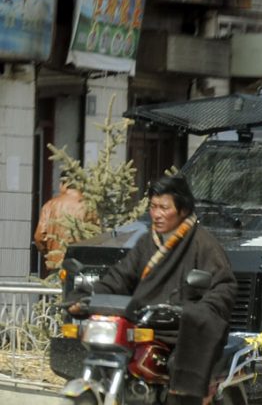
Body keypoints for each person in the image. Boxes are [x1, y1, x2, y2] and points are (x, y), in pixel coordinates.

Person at [70, 175, 237, 405]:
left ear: (183, 209)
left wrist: (196, 310)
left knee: (180, 376)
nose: (156, 214)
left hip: (183, 331)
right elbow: (120, 276)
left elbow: (224, 288)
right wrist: (90, 297)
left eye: (163, 207)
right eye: (153, 207)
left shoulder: (204, 243)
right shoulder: (147, 243)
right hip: (144, 325)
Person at [34, 172, 87, 271]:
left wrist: (50, 254)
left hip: (56, 263)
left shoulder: (50, 205)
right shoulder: (89, 206)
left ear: (63, 184)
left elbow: (40, 236)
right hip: (82, 264)